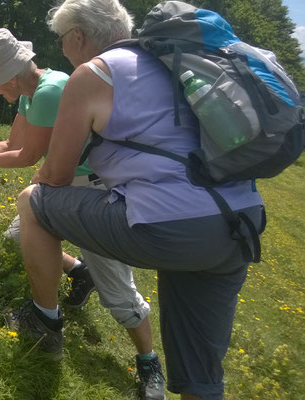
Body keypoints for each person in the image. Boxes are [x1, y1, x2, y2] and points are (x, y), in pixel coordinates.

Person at [14, 1, 265, 399]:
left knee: (32, 202)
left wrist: (39, 183)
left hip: (170, 227)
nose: (62, 49)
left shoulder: (92, 74)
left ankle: (44, 326)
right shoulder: (180, 66)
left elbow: (57, 176)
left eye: (62, 40)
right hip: (241, 226)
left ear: (77, 36)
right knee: (203, 378)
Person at [0, 28, 165, 399]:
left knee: (119, 292)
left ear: (10, 75)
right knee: (18, 235)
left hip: (91, 190)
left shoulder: (47, 93)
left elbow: (27, 156)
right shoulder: (32, 93)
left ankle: (149, 361)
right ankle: (80, 273)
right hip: (61, 184)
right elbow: (12, 142)